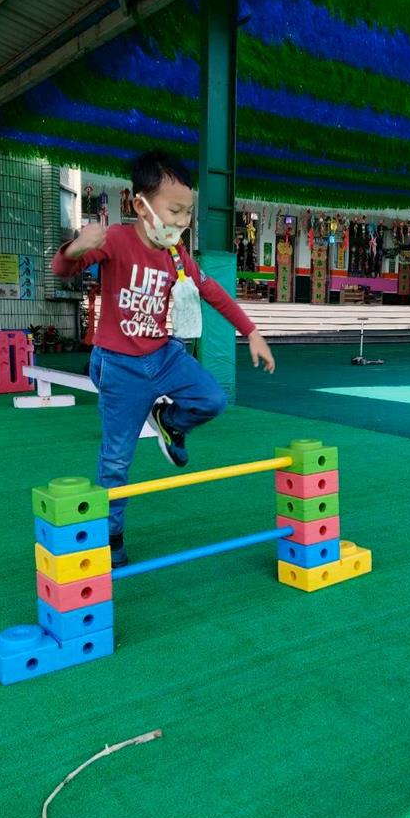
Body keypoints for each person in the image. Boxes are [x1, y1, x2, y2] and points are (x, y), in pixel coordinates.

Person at [52, 150, 275, 568]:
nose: (182, 221)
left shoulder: (176, 255)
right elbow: (63, 269)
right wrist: (76, 247)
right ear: (141, 205)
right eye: (174, 211)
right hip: (120, 365)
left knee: (213, 399)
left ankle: (169, 421)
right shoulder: (116, 240)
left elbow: (213, 292)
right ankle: (110, 537)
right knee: (116, 460)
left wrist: (251, 331)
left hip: (164, 354)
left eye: (188, 213)